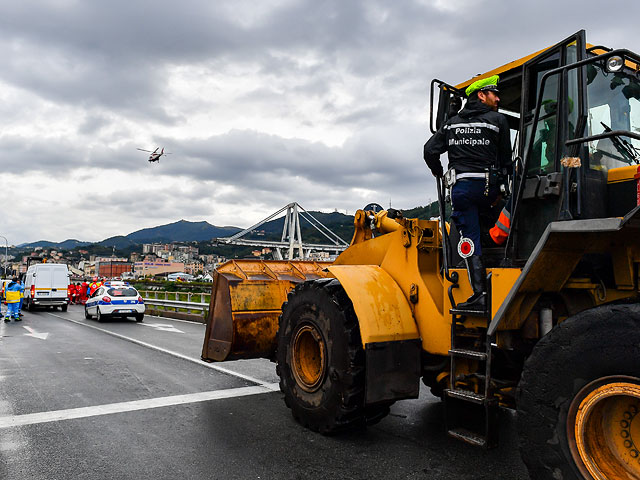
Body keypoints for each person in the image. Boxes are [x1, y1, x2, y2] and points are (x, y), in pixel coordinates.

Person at [423, 74, 512, 311]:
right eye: (494, 94)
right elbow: (506, 161)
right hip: (489, 191)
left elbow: (429, 150)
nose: (498, 98)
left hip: (462, 191)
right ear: (481, 95)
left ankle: (479, 294)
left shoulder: (451, 124)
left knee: (469, 238)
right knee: (491, 222)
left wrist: (438, 170)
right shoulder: (498, 121)